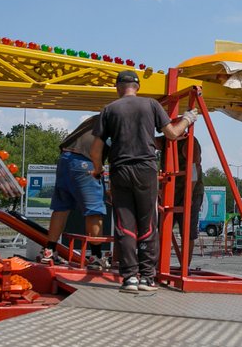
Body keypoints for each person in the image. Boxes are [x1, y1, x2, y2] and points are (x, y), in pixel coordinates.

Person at [90, 70, 197, 293]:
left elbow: (96, 149)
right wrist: (187, 118)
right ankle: (148, 278)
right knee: (148, 223)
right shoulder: (151, 105)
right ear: (137, 86)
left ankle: (129, 278)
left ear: (118, 87)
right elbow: (172, 134)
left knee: (124, 224)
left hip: (120, 169)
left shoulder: (109, 109)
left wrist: (98, 170)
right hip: (146, 170)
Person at [41, 115, 109, 270]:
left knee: (62, 207)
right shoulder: (118, 120)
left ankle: (49, 251)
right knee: (94, 210)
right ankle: (97, 257)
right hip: (85, 161)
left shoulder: (98, 118)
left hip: (65, 159)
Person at [156, 134, 204, 262]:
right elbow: (150, 141)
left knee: (187, 231)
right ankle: (159, 263)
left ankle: (185, 266)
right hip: (171, 192)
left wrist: (189, 194)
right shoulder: (165, 139)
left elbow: (195, 168)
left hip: (191, 191)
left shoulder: (190, 142)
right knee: (162, 228)